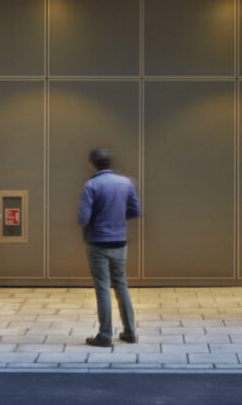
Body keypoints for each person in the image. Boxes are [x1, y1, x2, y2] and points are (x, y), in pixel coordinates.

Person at [75, 146, 140, 347]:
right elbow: (135, 210)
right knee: (121, 285)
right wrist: (117, 220)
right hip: (120, 242)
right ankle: (130, 331)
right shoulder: (126, 183)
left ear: (92, 164)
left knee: (102, 287)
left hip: (97, 243)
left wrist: (96, 221)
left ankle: (104, 335)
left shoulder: (91, 185)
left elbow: (83, 218)